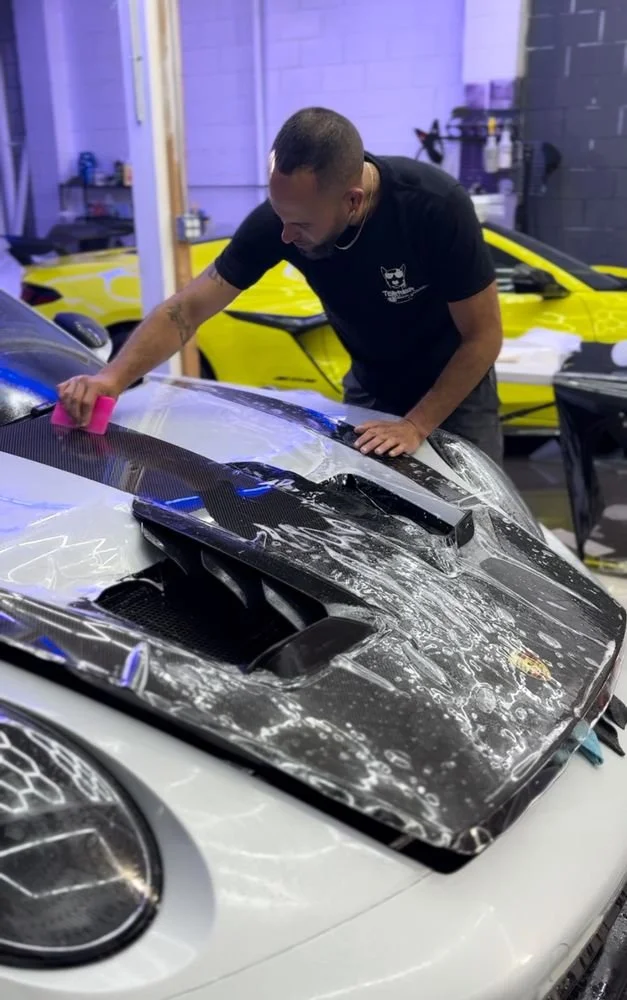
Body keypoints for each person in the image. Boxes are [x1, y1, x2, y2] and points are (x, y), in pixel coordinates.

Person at [58, 107, 504, 463]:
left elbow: (483, 337)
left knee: (475, 521)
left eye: (301, 224)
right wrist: (110, 380)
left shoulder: (433, 207)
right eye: (281, 217)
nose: (286, 236)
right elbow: (187, 310)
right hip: (371, 384)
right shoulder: (284, 219)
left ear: (353, 200)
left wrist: (417, 424)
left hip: (455, 394)